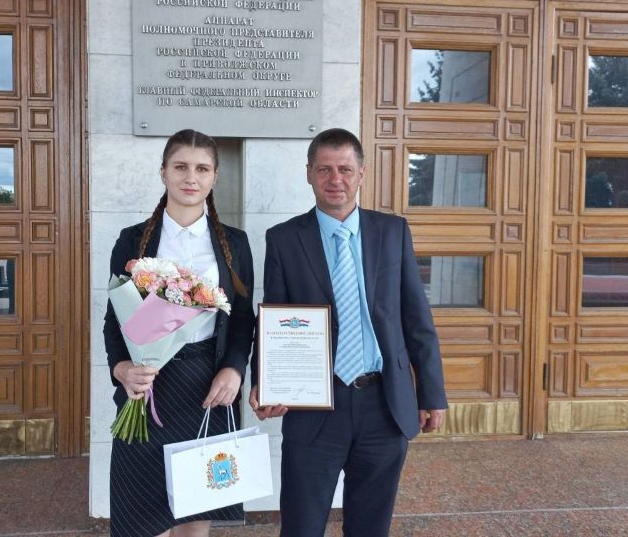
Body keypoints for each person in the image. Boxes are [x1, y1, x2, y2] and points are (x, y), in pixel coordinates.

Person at [249, 128, 447, 537]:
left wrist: (431, 393)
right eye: (324, 169)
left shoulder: (392, 232)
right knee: (301, 527)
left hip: (384, 404)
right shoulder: (284, 239)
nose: (335, 179)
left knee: (370, 527)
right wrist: (265, 383)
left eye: (344, 169)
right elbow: (273, 320)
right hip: (314, 407)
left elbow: (416, 318)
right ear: (309, 173)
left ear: (362, 173)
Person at [104, 129, 255, 537]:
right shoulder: (133, 240)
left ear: (214, 177)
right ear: (164, 173)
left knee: (195, 511)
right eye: (181, 167)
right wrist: (121, 368)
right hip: (148, 386)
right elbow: (114, 319)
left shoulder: (235, 243)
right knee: (140, 517)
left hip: (207, 386)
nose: (191, 177)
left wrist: (235, 369)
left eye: (202, 168)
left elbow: (242, 318)